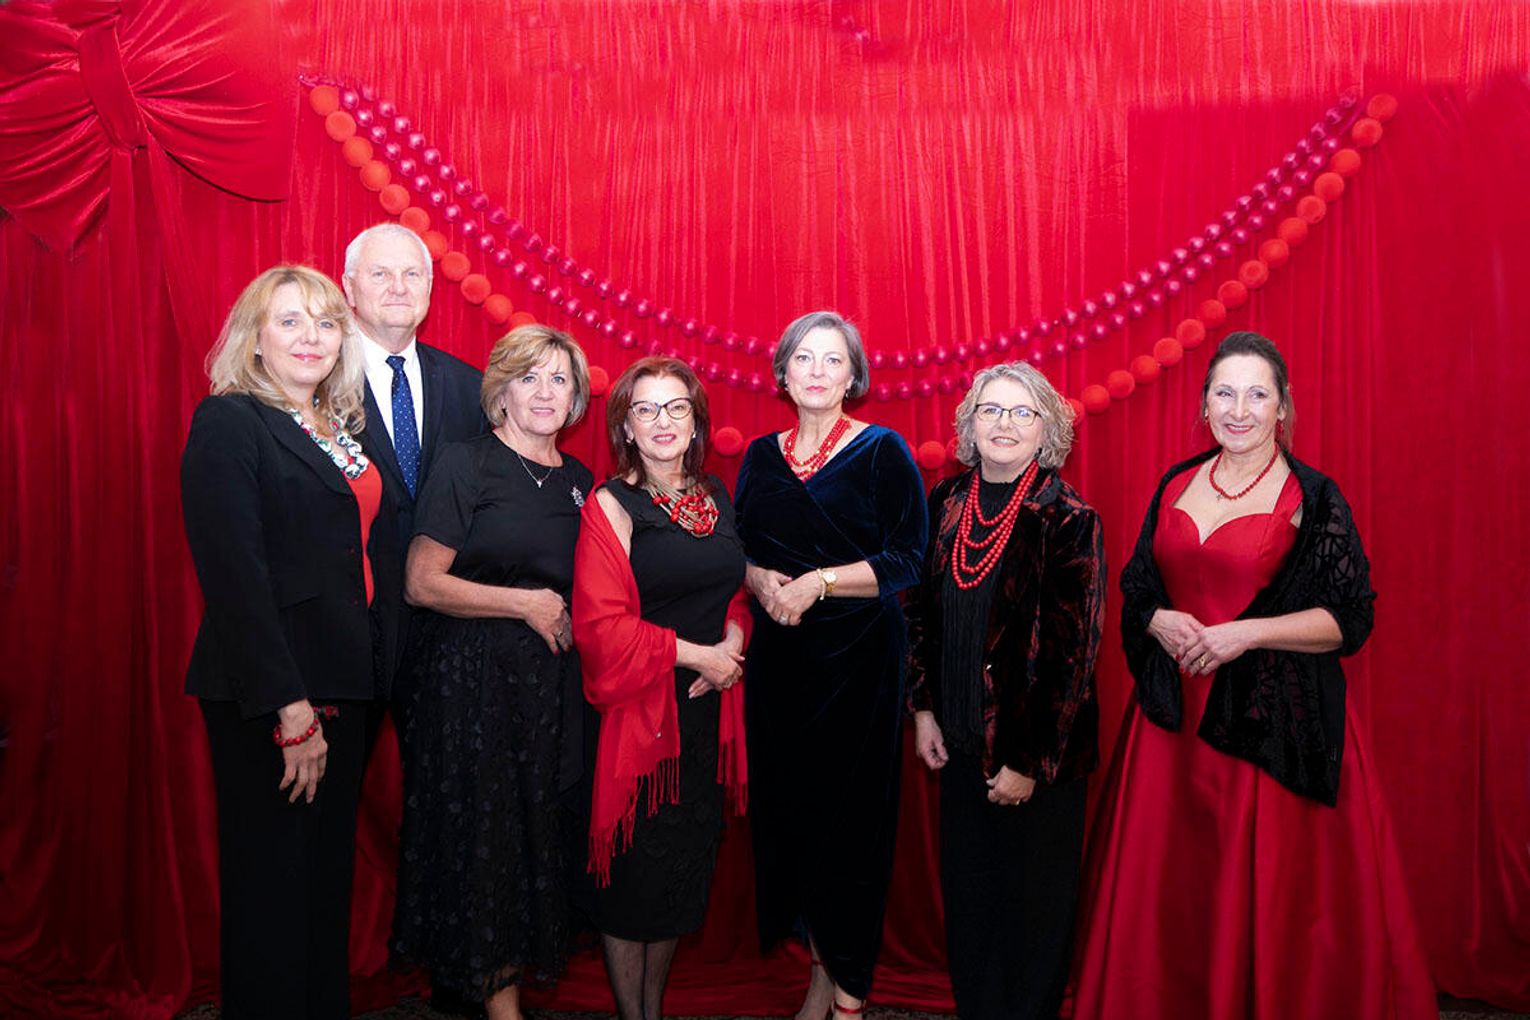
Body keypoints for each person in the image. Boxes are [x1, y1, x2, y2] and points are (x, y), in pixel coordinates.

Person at [1071, 331, 1436, 1019]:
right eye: (1225, 393)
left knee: (1264, 898)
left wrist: (1247, 633)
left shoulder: (1312, 497)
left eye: (1257, 394)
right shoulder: (1175, 482)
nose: (1239, 410)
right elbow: (1138, 587)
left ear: (1282, 407)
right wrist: (1156, 620)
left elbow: (1350, 619)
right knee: (1174, 895)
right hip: (1172, 727)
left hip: (1270, 728)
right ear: (1204, 404)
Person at [181, 265, 399, 1019]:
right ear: (255, 338)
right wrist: (289, 707)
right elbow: (234, 576)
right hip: (275, 690)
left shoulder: (339, 429)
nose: (312, 337)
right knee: (273, 886)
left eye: (327, 322)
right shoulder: (231, 421)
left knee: (322, 883)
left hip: (345, 677)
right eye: (290, 321)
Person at [389, 324, 593, 1020]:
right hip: (470, 686)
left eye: (559, 379)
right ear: (501, 392)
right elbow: (421, 583)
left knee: (536, 832)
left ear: (576, 399)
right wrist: (525, 603)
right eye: (529, 377)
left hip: (548, 692)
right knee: (488, 836)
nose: (545, 392)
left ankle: (505, 987)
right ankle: (499, 1006)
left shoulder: (579, 481)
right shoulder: (466, 463)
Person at [733, 311, 928, 1019]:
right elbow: (737, 547)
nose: (817, 371)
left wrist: (815, 584)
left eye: (833, 359)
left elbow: (908, 558)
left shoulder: (882, 450)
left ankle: (849, 997)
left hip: (859, 668)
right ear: (783, 374)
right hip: (780, 666)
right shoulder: (760, 456)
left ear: (854, 376)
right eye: (803, 358)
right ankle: (821, 974)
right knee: (795, 824)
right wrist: (758, 580)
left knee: (851, 832)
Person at [907, 362, 1103, 1020]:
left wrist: (1025, 762)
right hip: (960, 743)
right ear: (969, 424)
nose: (1005, 424)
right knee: (972, 912)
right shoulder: (945, 502)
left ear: (1047, 429)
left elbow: (1073, 658)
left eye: (1023, 413)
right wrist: (924, 710)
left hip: (1036, 761)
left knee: (1033, 921)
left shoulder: (1068, 517)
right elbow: (919, 616)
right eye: (990, 410)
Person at [570, 356, 750, 1020]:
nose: (662, 421)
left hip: (703, 715)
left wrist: (733, 642)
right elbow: (601, 628)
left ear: (696, 422)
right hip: (638, 713)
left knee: (679, 871)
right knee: (632, 880)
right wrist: (700, 655)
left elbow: (732, 588)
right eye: (645, 410)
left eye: (677, 407)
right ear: (626, 427)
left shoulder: (715, 494)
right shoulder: (610, 504)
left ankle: (654, 1010)